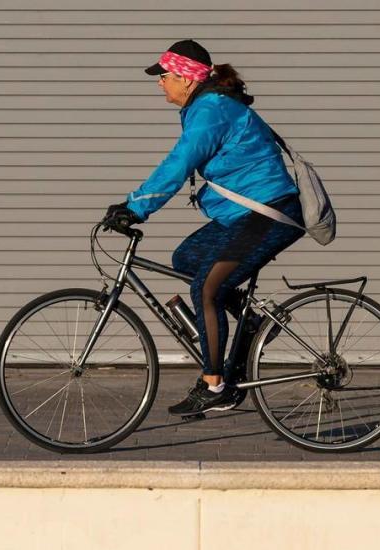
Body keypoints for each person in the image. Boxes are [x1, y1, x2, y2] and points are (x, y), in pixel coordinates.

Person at [102, 39, 304, 416]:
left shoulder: (211, 111)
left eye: (163, 76)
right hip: (245, 215)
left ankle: (216, 386)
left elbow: (178, 164)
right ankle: (255, 323)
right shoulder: (204, 108)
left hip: (271, 213)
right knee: (187, 257)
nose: (159, 83)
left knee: (206, 288)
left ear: (185, 78)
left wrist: (135, 208)